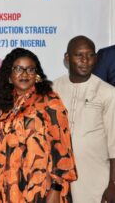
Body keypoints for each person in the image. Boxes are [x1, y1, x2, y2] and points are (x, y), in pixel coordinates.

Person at [0, 48, 77, 203]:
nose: (25, 74)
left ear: (37, 75)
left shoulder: (50, 101)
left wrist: (56, 188)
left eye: (30, 69)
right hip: (7, 187)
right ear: (9, 76)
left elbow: (63, 149)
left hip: (40, 190)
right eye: (18, 69)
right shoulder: (4, 105)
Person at [53, 35, 115, 203]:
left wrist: (113, 184)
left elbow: (114, 144)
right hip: (58, 180)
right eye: (79, 55)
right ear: (67, 58)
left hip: (95, 181)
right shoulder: (53, 89)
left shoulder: (108, 93)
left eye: (90, 55)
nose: (85, 60)